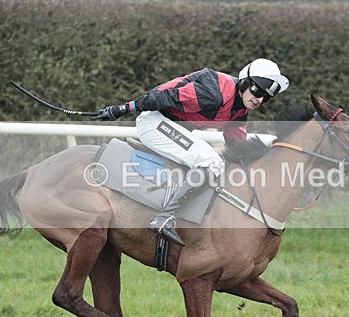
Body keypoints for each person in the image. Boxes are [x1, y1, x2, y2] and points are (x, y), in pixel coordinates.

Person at [92, 58, 289, 246]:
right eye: (257, 91)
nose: (259, 99)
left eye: (266, 97)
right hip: (155, 122)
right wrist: (125, 108)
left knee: (217, 165)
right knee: (211, 162)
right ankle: (163, 218)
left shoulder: (239, 111)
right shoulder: (214, 92)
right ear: (245, 82)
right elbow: (164, 96)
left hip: (170, 127)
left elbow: (238, 149)